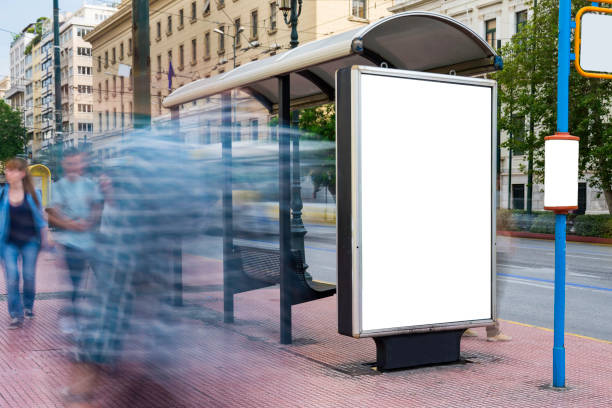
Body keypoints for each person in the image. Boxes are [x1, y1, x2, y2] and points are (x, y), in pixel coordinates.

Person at [45, 148, 103, 325]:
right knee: (75, 282)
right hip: (72, 244)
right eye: (70, 163)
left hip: (93, 242)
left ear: (82, 163)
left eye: (77, 163)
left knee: (101, 279)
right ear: (64, 164)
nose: (73, 167)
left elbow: (98, 208)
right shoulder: (58, 187)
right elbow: (52, 214)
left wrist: (90, 222)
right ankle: (75, 318)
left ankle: (98, 316)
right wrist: (70, 225)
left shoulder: (90, 185)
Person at [0, 158, 49, 329]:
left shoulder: (33, 193)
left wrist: (46, 239)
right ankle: (16, 314)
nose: (8, 173)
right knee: (12, 277)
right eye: (7, 169)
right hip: (8, 243)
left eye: (12, 170)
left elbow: (41, 220)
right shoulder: (2, 194)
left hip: (30, 242)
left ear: (21, 174)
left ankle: (28, 305)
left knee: (28, 276)